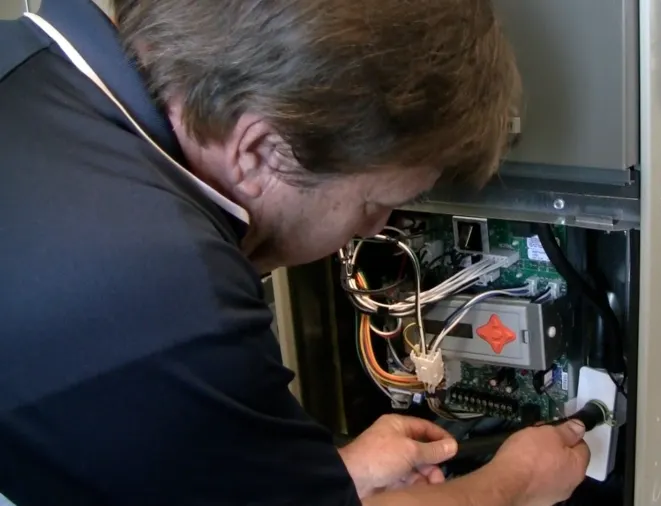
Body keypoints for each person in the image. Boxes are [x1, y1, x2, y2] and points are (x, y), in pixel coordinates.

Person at [0, 1, 590, 505]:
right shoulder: (169, 297)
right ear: (259, 152)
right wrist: (517, 483)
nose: (378, 226)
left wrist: (305, 474)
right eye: (377, 203)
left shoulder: (27, 60)